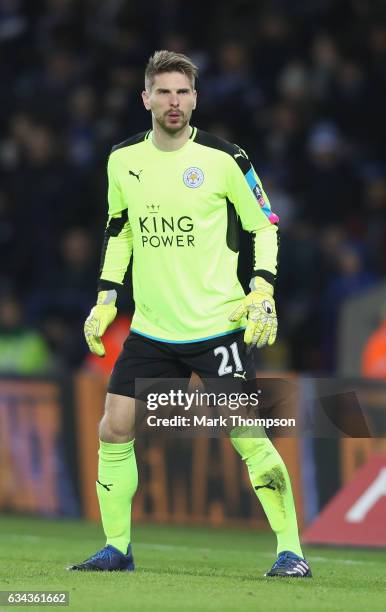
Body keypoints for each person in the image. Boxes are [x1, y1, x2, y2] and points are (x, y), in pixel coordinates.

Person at [70, 50, 311, 578]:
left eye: (183, 92)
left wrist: (263, 288)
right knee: (113, 428)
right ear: (146, 98)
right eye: (164, 92)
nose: (174, 102)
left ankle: (291, 552)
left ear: (195, 99)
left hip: (215, 324)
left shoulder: (228, 159)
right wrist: (107, 297)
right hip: (152, 328)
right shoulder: (122, 160)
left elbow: (266, 224)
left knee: (247, 435)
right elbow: (120, 229)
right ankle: (117, 548)